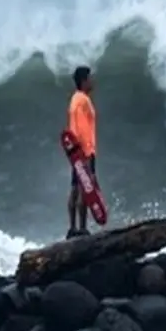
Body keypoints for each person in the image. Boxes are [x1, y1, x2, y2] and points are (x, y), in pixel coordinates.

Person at [67, 65, 97, 237]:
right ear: (84, 81)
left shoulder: (75, 99)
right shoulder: (82, 101)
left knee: (75, 188)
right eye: (90, 78)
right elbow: (83, 130)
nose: (92, 80)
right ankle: (82, 228)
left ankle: (72, 228)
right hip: (84, 150)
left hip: (75, 150)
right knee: (85, 188)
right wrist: (88, 156)